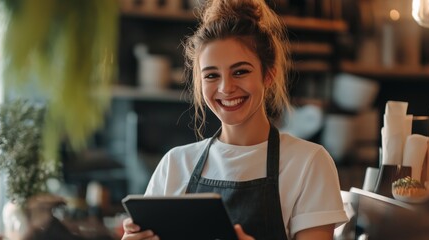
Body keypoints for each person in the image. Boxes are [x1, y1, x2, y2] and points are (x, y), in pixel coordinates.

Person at [122, 0, 348, 239]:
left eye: (240, 71)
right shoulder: (175, 164)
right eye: (211, 75)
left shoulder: (309, 163)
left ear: (268, 74)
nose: (226, 88)